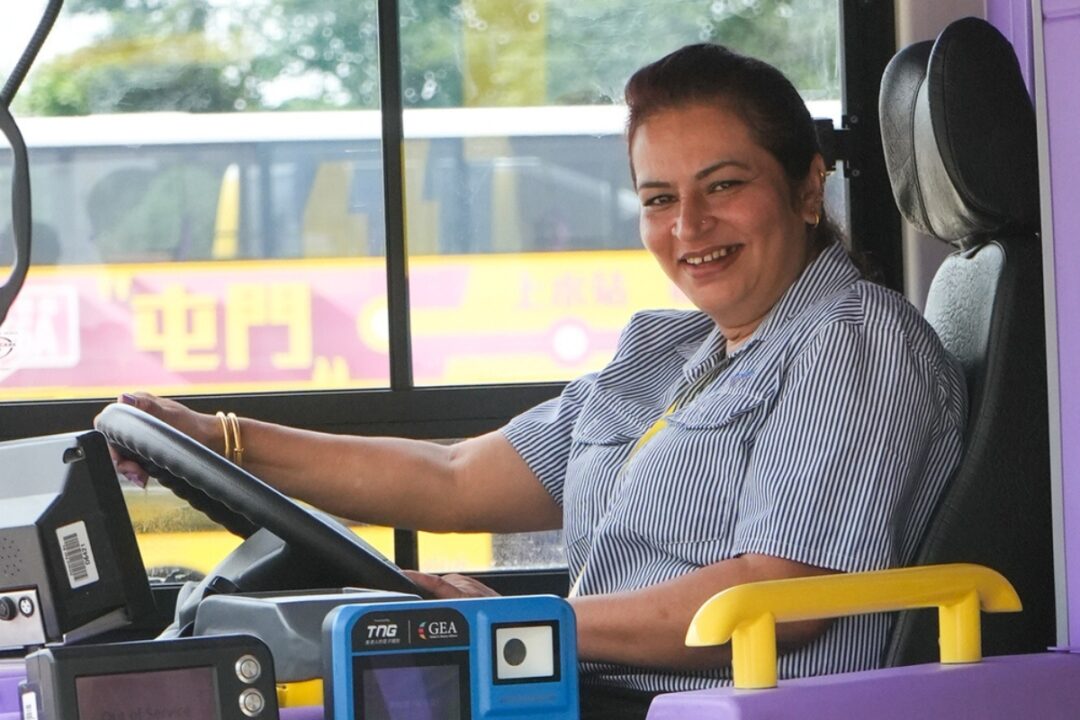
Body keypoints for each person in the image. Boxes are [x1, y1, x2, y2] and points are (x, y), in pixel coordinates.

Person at [108, 43, 967, 719]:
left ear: (808, 186)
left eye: (725, 186)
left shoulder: (856, 343)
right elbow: (450, 480)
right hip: (582, 689)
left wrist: (508, 627)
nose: (689, 226)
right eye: (659, 198)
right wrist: (220, 438)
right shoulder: (672, 356)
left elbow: (778, 597)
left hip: (698, 706)